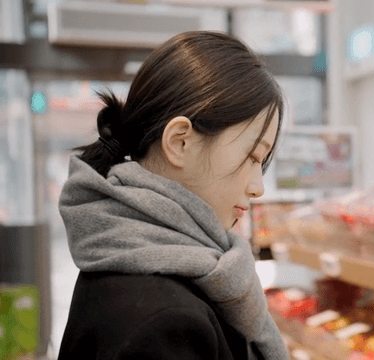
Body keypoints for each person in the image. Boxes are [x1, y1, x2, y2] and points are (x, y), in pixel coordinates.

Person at [57, 31, 289, 360]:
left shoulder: (131, 254)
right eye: (253, 156)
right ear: (181, 142)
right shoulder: (164, 323)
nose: (258, 186)